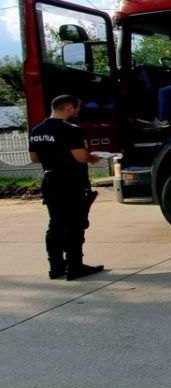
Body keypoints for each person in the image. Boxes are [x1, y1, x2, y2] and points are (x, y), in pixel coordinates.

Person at [28, 95, 105, 281]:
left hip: (50, 181)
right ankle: (75, 266)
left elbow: (34, 158)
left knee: (55, 225)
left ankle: (56, 267)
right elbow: (79, 157)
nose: (77, 112)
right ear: (69, 108)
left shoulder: (36, 130)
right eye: (76, 108)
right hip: (71, 182)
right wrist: (92, 158)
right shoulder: (71, 129)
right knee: (75, 225)